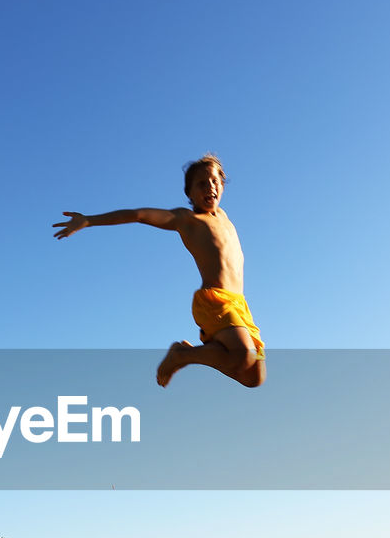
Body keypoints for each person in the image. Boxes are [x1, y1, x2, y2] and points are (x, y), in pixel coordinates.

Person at [52, 154, 265, 388]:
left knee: (254, 377)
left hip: (240, 304)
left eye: (214, 181)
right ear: (190, 194)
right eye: (201, 184)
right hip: (216, 301)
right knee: (243, 355)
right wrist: (89, 220)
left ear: (222, 185)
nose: (210, 187)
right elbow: (138, 214)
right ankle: (181, 356)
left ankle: (190, 352)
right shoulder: (188, 219)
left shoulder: (223, 217)